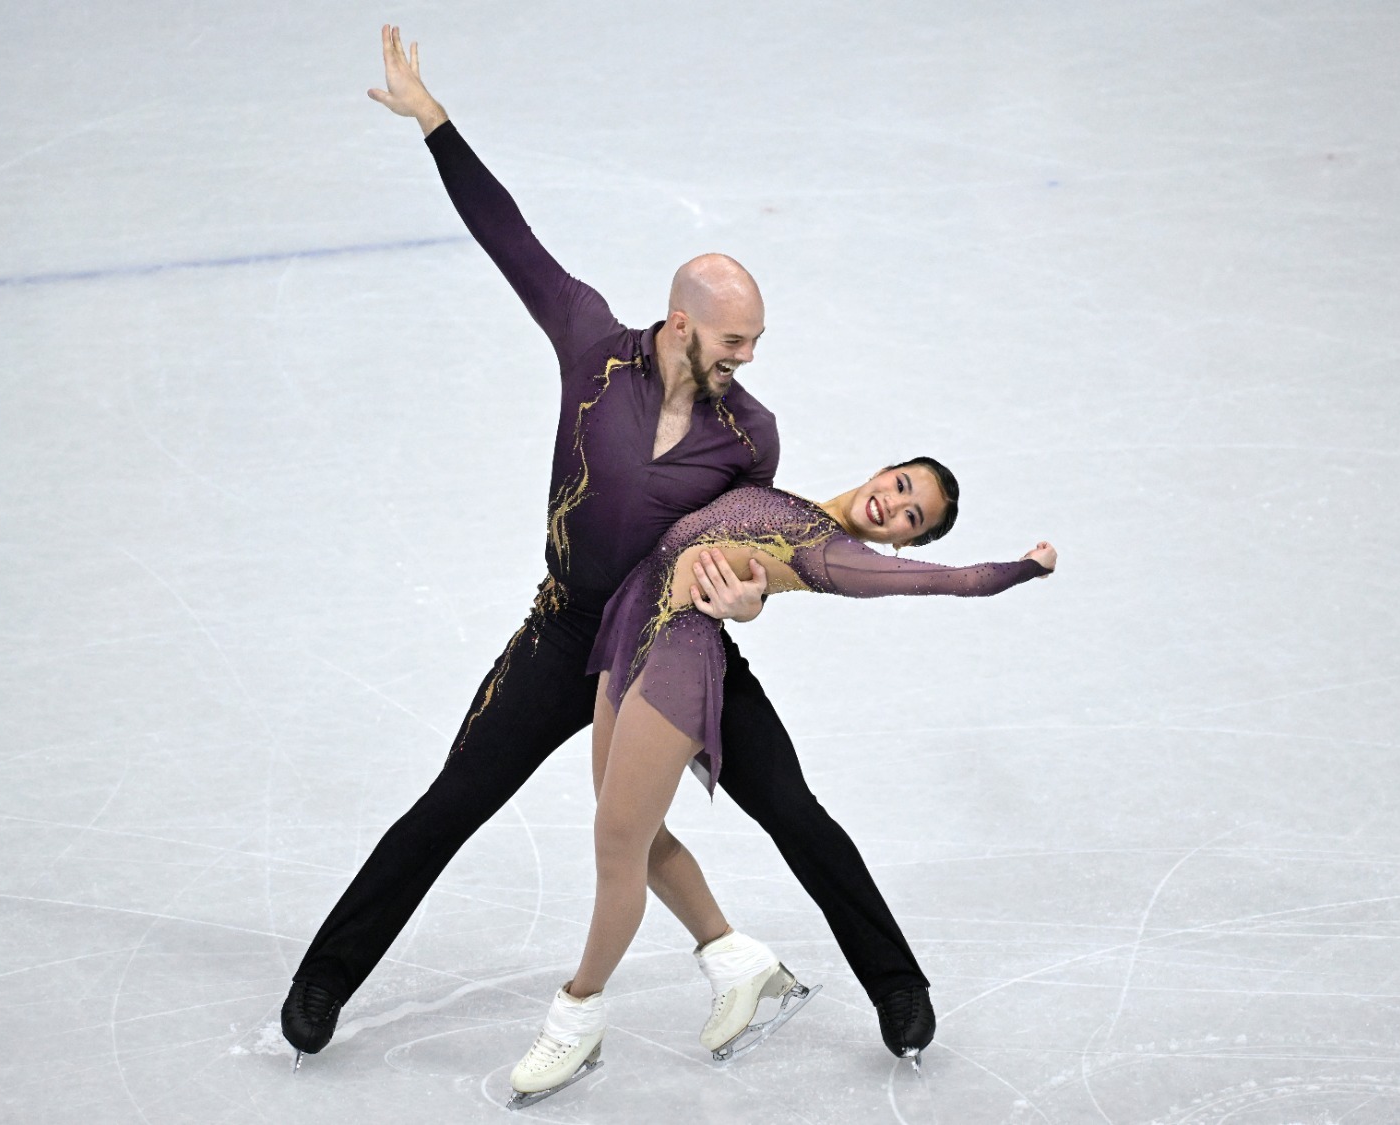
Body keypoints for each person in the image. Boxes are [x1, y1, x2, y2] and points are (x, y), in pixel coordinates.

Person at [282, 23, 940, 1069]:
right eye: (734, 340)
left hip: (674, 647)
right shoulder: (591, 346)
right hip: (563, 636)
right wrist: (434, 125)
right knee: (452, 801)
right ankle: (324, 978)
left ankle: (897, 987)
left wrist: (742, 605)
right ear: (682, 324)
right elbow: (512, 240)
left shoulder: (750, 435)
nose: (749, 358)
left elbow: (748, 551)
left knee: (792, 808)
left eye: (755, 343)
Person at [508, 464, 1057, 1105]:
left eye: (913, 517)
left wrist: (1027, 568)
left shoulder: (836, 555)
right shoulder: (781, 495)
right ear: (884, 469)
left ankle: (580, 1015)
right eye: (903, 484)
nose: (894, 503)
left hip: (678, 661)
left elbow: (950, 581)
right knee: (632, 830)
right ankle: (737, 964)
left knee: (653, 839)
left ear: (904, 543)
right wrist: (750, 599)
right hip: (628, 642)